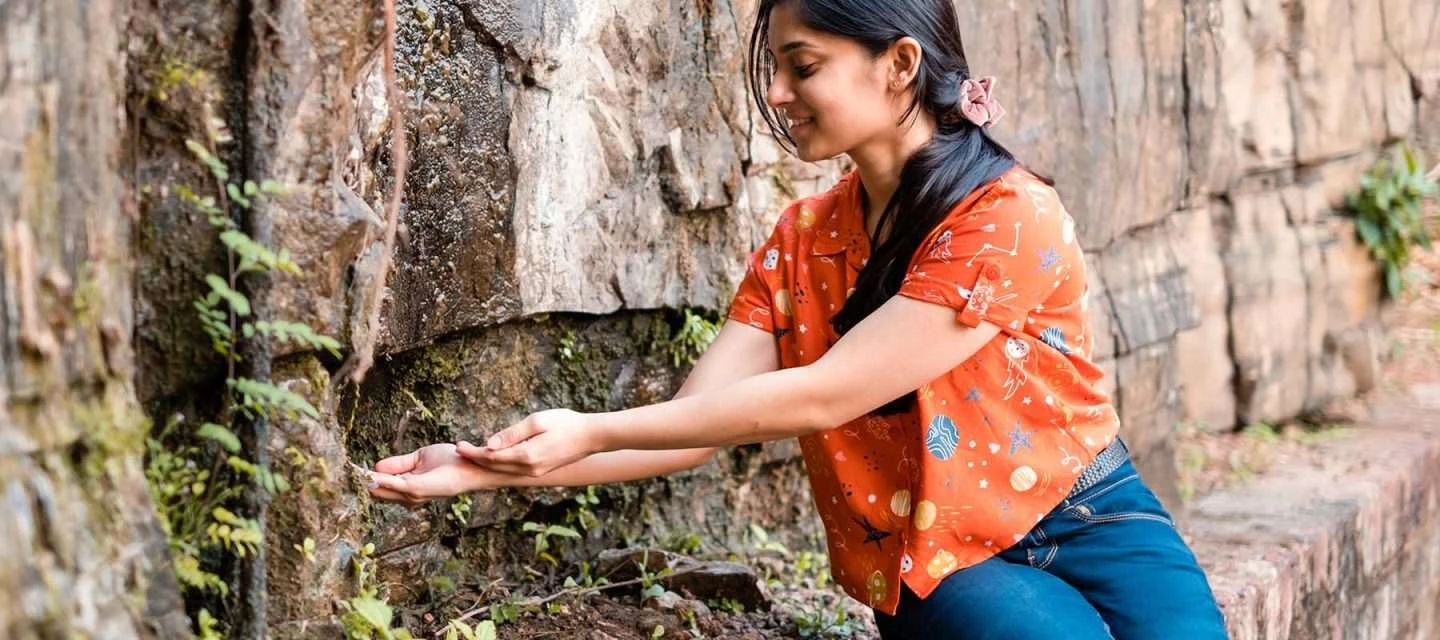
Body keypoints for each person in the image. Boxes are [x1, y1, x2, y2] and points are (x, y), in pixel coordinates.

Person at [368, 0, 1230, 637]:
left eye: (803, 65)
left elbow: (825, 393)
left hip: (1089, 517)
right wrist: (485, 468)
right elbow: (692, 429)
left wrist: (589, 429)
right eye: (776, 68)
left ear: (899, 64)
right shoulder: (803, 241)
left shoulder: (1006, 215)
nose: (777, 93)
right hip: (933, 553)